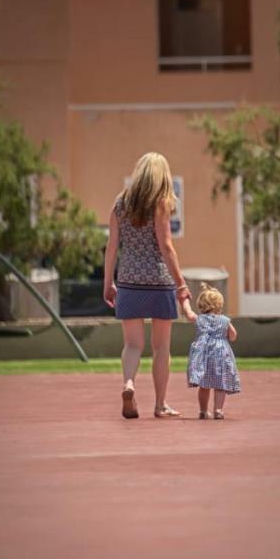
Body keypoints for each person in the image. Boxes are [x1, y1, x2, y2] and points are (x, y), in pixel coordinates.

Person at [103, 152, 196, 420]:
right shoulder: (161, 202)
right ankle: (160, 404)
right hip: (158, 280)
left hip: (129, 280)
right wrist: (181, 284)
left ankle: (129, 383)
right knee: (161, 347)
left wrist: (108, 283)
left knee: (132, 344)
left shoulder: (120, 204)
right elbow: (166, 247)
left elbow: (111, 248)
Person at [187, 283, 240, 420]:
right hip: (221, 354)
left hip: (204, 355)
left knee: (204, 385)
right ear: (219, 305)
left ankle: (203, 411)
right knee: (220, 384)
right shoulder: (225, 320)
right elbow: (233, 336)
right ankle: (218, 410)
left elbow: (189, 314)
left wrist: (185, 301)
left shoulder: (199, 319)